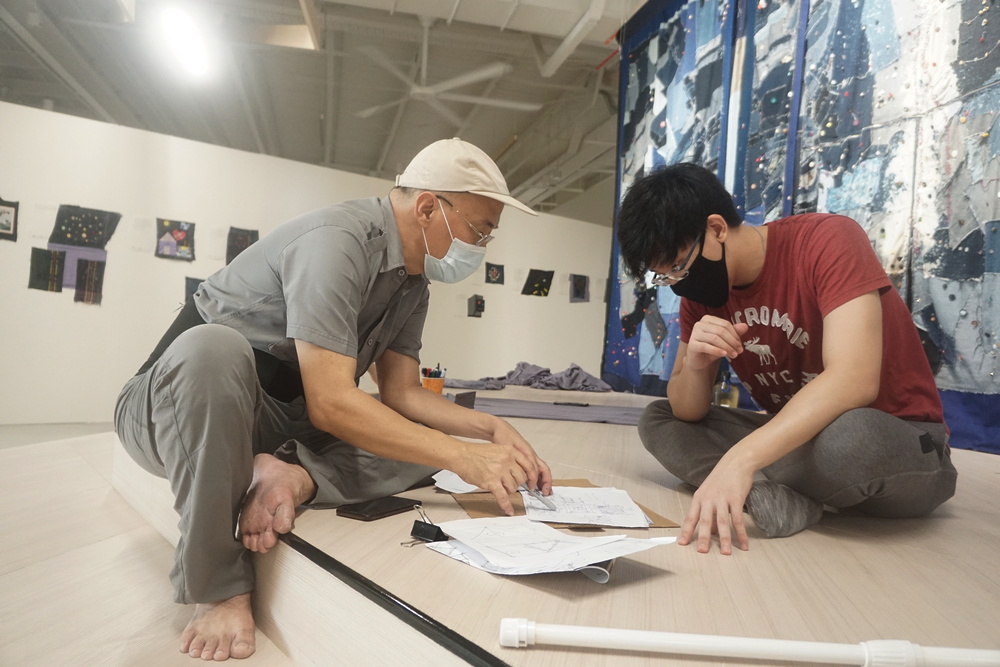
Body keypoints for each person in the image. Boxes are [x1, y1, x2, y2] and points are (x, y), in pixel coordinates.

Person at [114, 138, 553, 660]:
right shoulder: (339, 240)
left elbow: (402, 393)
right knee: (215, 349)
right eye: (480, 230)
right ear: (429, 207)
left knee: (420, 447)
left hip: (277, 421)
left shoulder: (412, 286)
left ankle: (295, 475)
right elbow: (330, 404)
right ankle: (217, 586)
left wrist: (488, 431)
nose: (480, 246)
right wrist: (463, 455)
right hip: (175, 409)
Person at [615, 163, 956, 556]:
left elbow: (855, 381)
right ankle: (770, 493)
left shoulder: (827, 239)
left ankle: (757, 480)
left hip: (897, 440)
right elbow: (687, 411)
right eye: (665, 277)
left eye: (677, 266)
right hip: (800, 441)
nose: (677, 282)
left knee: (851, 438)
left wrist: (740, 459)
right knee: (659, 419)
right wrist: (695, 362)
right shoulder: (700, 295)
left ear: (716, 229)